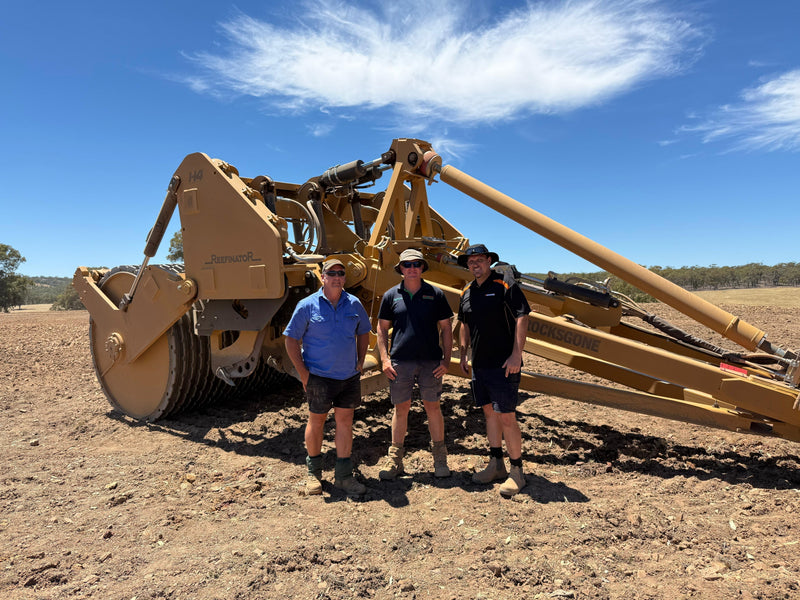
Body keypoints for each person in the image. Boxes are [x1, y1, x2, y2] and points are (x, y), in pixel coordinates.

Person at [283, 258, 372, 496]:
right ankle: (313, 475)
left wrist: (361, 361)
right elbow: (291, 340)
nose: (336, 277)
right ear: (322, 277)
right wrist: (303, 373)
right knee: (317, 421)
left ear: (345, 278)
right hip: (319, 377)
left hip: (348, 377)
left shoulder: (354, 304)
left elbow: (364, 332)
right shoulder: (306, 305)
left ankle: (343, 476)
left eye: (341, 273)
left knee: (345, 422)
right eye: (331, 273)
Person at [457, 244, 531, 497]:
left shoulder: (505, 285)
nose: (475, 264)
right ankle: (496, 464)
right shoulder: (467, 291)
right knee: (489, 414)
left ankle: (517, 472)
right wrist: (463, 353)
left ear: (489, 261)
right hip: (480, 364)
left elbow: (523, 317)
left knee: (506, 416)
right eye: (471, 261)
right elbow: (464, 323)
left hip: (504, 364)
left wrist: (516, 354)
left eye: (479, 260)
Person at [376, 249, 454, 480]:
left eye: (416, 264)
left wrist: (446, 360)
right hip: (401, 362)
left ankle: (440, 460)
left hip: (431, 363)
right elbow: (382, 328)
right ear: (401, 268)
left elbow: (446, 328)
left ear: (422, 267)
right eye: (407, 265)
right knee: (401, 409)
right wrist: (384, 359)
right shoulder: (391, 295)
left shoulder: (435, 294)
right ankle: (395, 460)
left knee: (433, 408)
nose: (412, 268)